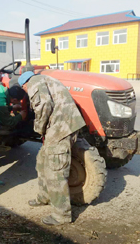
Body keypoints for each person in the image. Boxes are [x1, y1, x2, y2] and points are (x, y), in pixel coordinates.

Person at [18, 71, 86, 226]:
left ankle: (61, 215)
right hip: (61, 126)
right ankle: (45, 197)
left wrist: (39, 128)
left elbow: (43, 105)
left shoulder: (34, 82)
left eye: (24, 90)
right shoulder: (45, 79)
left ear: (24, 85)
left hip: (60, 128)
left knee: (55, 171)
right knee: (42, 160)